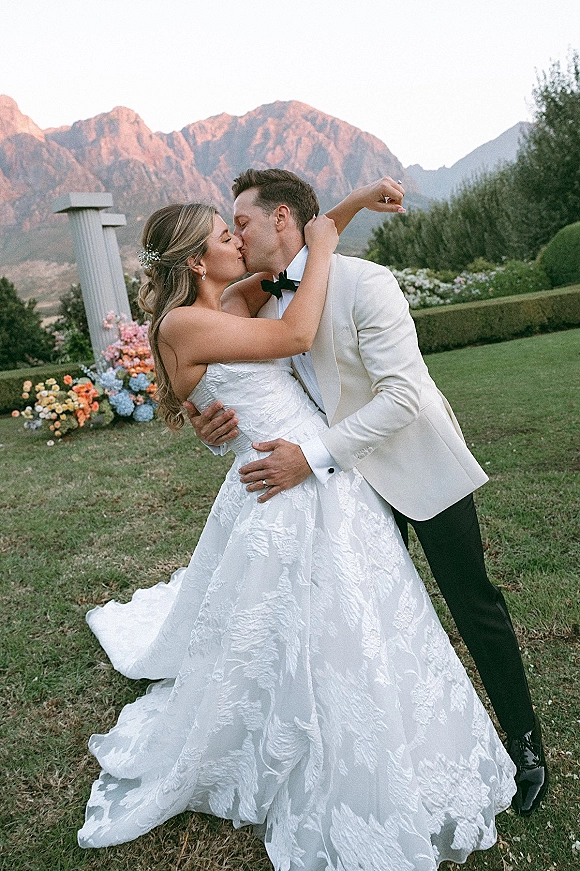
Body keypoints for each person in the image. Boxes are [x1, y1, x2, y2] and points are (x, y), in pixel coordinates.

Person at [78, 196, 517, 868]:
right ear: (198, 260)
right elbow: (297, 334)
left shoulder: (228, 302)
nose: (237, 241)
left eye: (239, 226)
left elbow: (294, 252)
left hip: (325, 470)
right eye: (227, 235)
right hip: (282, 483)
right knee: (315, 615)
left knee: (360, 614)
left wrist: (350, 208)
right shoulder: (186, 323)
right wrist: (327, 241)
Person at [187, 168, 548, 818]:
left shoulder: (364, 282)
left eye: (241, 220)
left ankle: (525, 744)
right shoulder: (260, 304)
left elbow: (404, 397)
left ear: (282, 221)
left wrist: (312, 455)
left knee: (473, 604)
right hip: (345, 495)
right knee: (382, 623)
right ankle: (409, 751)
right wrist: (212, 421)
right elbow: (235, 387)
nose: (235, 233)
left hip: (415, 465)